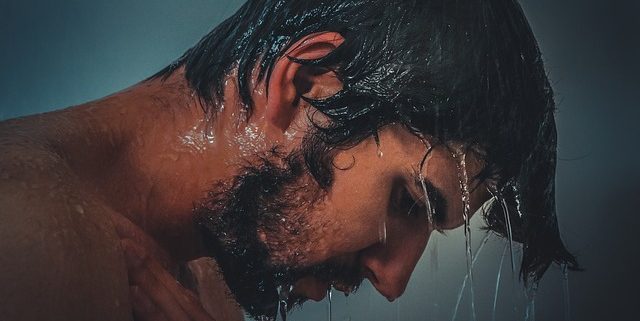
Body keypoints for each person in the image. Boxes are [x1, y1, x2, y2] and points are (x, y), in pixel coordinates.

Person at [0, 0, 580, 320]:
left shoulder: (206, 281)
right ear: (304, 81)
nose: (393, 280)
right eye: (407, 200)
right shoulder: (26, 236)